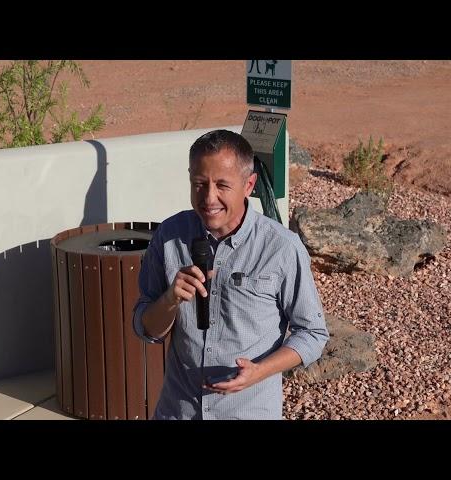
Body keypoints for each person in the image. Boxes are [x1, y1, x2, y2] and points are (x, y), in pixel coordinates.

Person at [133, 129, 328, 419]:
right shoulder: (170, 236)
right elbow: (146, 327)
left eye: (222, 185)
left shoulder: (281, 247)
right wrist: (169, 300)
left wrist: (259, 372)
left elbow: (312, 333)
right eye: (199, 184)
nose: (209, 198)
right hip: (179, 411)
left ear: (249, 185)